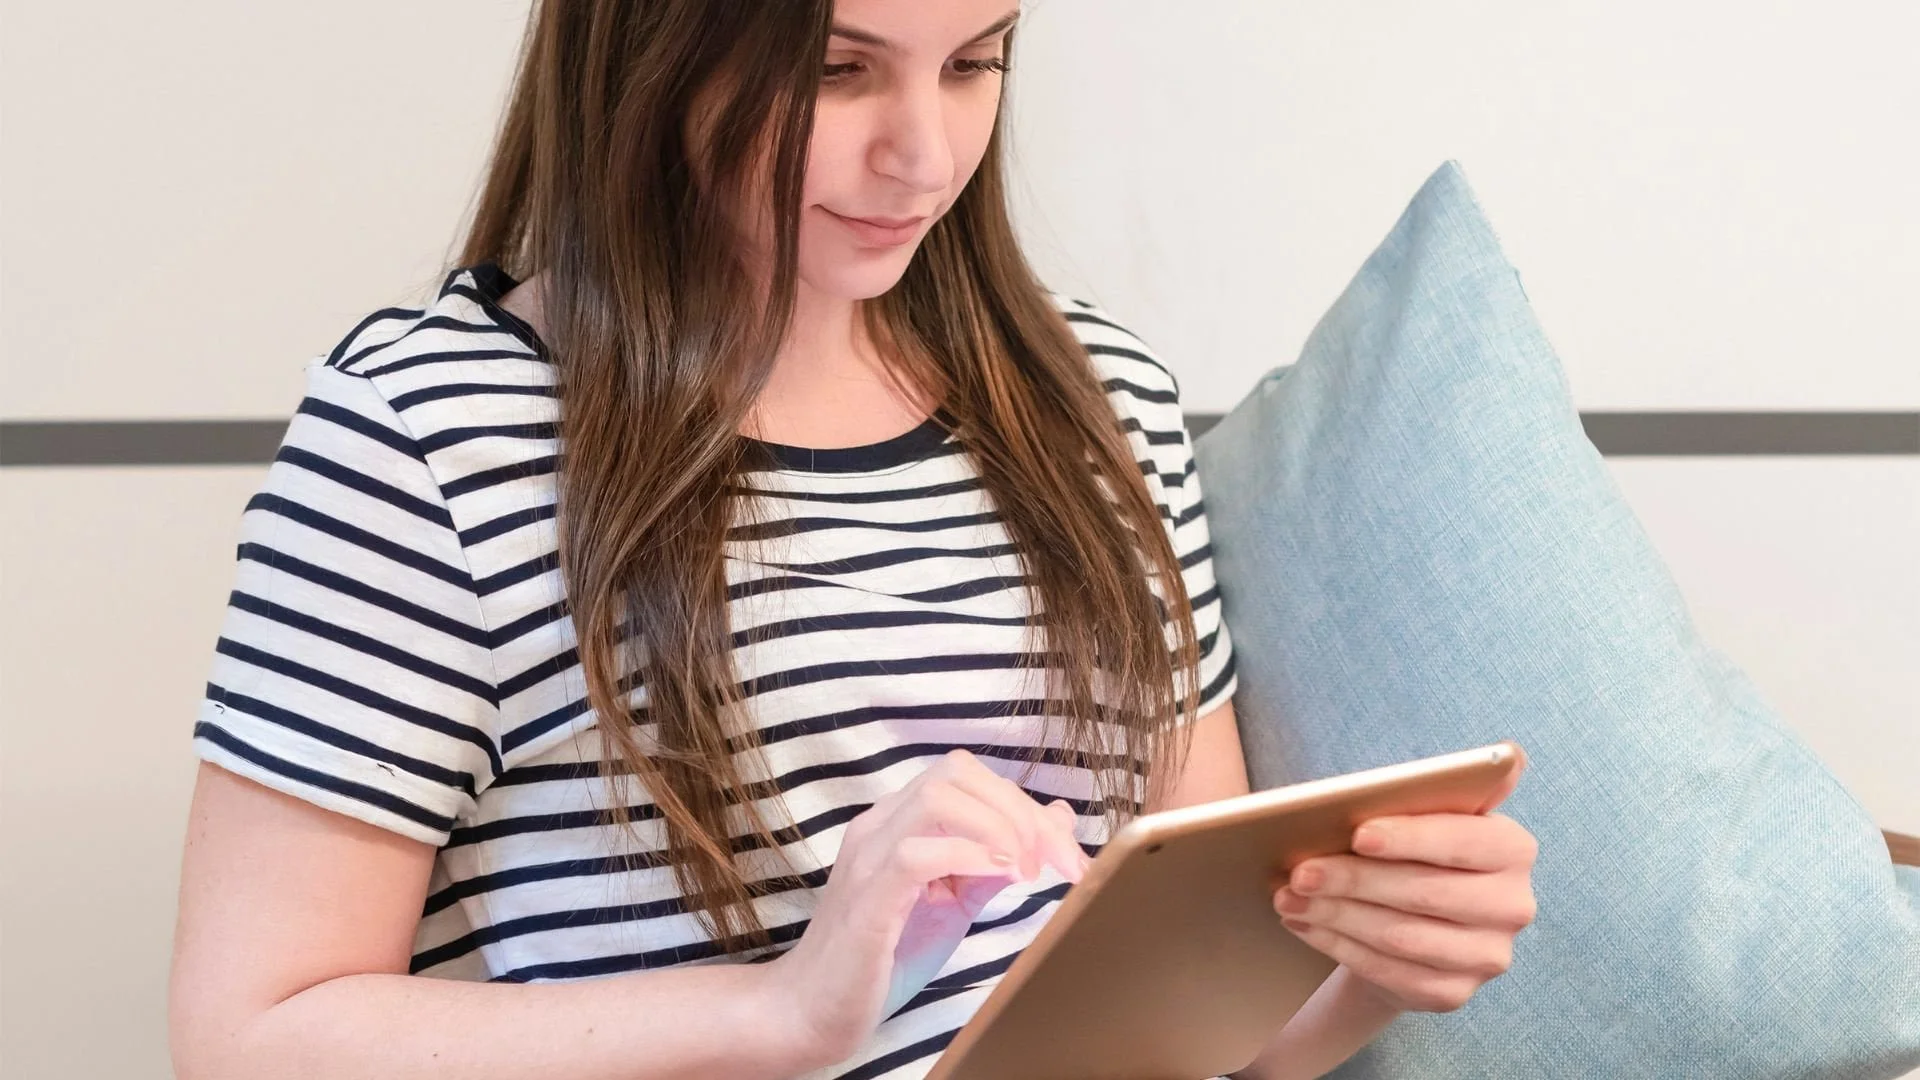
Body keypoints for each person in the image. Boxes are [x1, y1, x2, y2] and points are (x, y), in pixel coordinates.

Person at [166, 2, 1539, 1078]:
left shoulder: (1098, 401)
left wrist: (1376, 964)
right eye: (837, 71)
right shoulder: (433, 430)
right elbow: (253, 1036)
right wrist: (783, 1014)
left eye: (973, 63)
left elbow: (1209, 1037)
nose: (924, 154)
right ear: (654, 43)